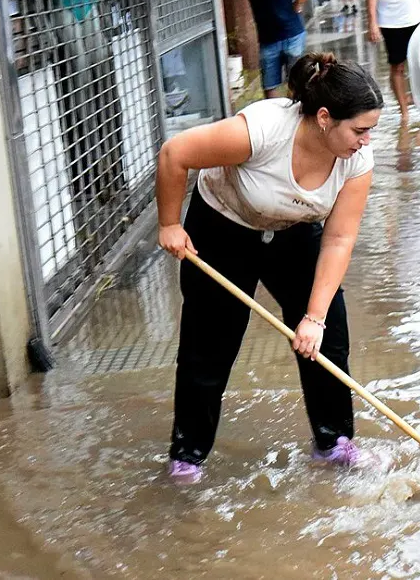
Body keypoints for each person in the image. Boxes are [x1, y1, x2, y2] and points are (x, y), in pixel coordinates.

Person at [157, 52, 384, 483]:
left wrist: (313, 318)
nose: (366, 141)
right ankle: (188, 456)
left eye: (371, 130)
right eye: (359, 130)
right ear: (324, 118)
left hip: (293, 229)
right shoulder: (261, 131)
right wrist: (169, 223)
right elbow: (175, 153)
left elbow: (339, 239)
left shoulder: (357, 160)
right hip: (224, 224)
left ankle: (334, 442)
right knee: (211, 344)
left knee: (328, 338)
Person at [192, 0, 320, 98]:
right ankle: (275, 112)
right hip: (267, 41)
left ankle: (296, 110)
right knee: (269, 86)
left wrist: (299, 1)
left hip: (293, 36)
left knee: (296, 84)